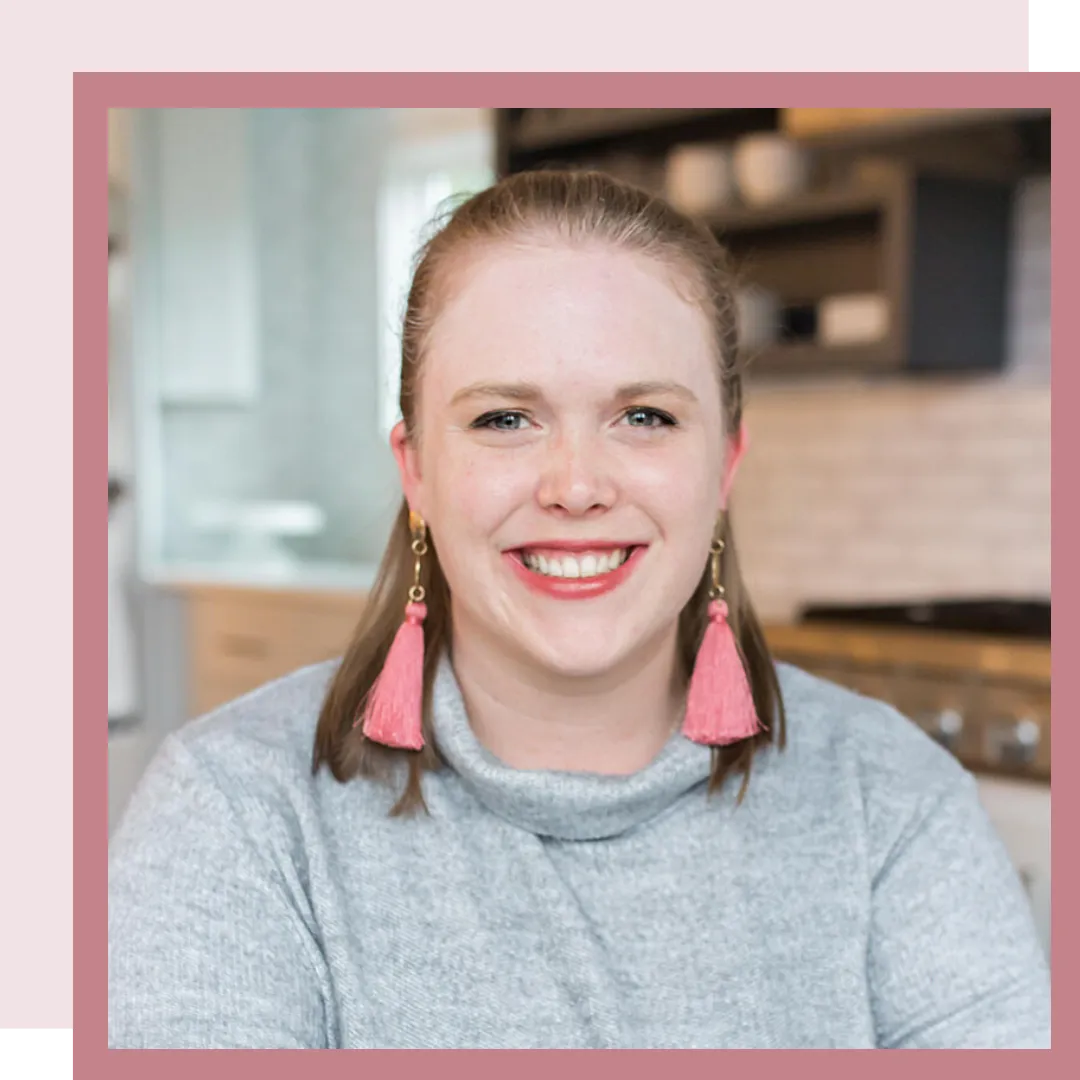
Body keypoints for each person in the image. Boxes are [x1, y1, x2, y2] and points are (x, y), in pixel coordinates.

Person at [108, 169, 1051, 1050]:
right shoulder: (234, 817)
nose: (575, 485)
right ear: (417, 471)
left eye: (644, 416)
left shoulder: (891, 801)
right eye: (504, 419)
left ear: (723, 465)